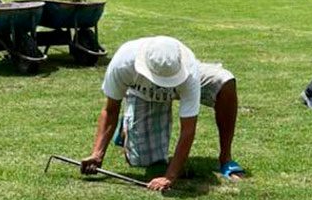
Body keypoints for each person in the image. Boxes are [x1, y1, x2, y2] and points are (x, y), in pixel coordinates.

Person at [80, 36, 245, 190]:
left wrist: (170, 176)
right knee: (145, 161)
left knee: (224, 81)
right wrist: (97, 153)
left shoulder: (189, 70)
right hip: (144, 93)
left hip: (183, 81)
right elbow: (110, 110)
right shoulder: (123, 62)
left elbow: (188, 128)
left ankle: (226, 158)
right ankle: (127, 128)